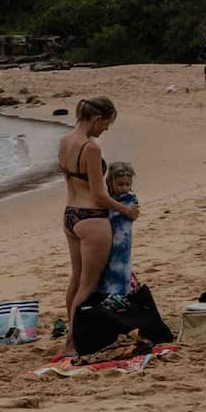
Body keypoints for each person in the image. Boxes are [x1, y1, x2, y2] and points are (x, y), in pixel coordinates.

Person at [58, 97, 140, 354]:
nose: (105, 129)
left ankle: (74, 333)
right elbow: (99, 194)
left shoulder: (65, 141)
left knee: (76, 280)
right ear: (96, 119)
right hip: (92, 219)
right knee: (88, 285)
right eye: (106, 124)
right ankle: (72, 341)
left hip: (70, 215)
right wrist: (125, 209)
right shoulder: (90, 148)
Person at [97, 162, 138, 296]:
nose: (124, 188)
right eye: (120, 185)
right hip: (109, 239)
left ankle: (121, 294)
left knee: (122, 267)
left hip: (123, 241)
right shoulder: (109, 200)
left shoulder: (130, 199)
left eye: (127, 184)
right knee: (108, 268)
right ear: (110, 183)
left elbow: (132, 215)